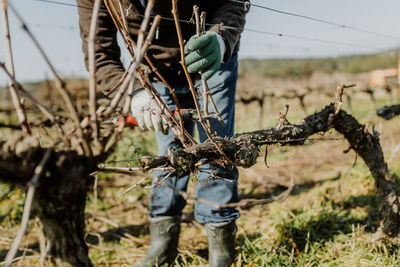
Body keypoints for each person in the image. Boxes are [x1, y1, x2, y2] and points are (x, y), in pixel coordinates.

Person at [77, 1, 248, 266]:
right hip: (154, 71)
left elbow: (233, 1)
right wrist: (132, 90)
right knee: (169, 155)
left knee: (217, 148)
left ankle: (221, 246)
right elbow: (99, 54)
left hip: (211, 58)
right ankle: (164, 245)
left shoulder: (215, 46)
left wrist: (221, 39)